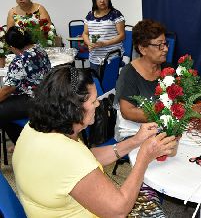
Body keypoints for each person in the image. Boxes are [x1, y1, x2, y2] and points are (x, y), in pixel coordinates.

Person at [12, 65, 177, 217]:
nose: (98, 104)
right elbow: (119, 211)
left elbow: (86, 160)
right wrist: (144, 157)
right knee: (149, 196)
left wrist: (135, 141)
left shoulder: (36, 128)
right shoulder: (67, 155)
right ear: (73, 109)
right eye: (93, 101)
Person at [114, 19, 170, 140]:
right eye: (159, 45)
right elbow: (127, 112)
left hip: (163, 130)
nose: (165, 49)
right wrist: (167, 114)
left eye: (165, 43)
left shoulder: (168, 69)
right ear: (143, 49)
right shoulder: (128, 73)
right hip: (135, 134)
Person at [0, 26, 50, 145]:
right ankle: (22, 142)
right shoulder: (40, 49)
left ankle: (22, 145)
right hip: (46, 95)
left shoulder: (20, 60)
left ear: (12, 47)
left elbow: (7, 90)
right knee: (5, 114)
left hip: (32, 100)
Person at [82, 0, 125, 74]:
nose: (102, 1)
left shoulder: (115, 14)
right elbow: (85, 33)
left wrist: (104, 43)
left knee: (109, 84)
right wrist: (89, 43)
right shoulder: (90, 15)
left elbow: (122, 35)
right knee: (96, 84)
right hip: (94, 57)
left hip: (111, 56)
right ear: (94, 0)